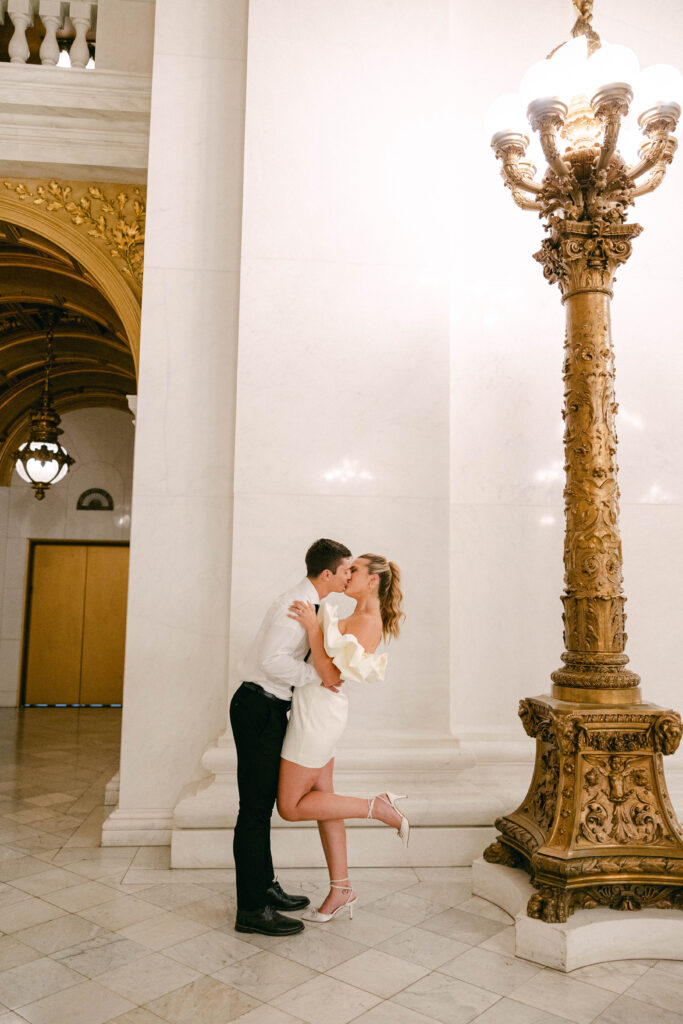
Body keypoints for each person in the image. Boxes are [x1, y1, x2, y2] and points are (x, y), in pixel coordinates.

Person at [230, 538, 352, 936]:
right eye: (345, 569)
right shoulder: (295, 606)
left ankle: (264, 888)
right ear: (327, 573)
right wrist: (316, 678)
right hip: (257, 707)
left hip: (269, 707)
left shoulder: (315, 606)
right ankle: (251, 909)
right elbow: (271, 661)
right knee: (254, 810)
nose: (350, 575)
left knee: (261, 806)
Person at [278, 553, 406, 922]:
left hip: (318, 711)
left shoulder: (368, 622)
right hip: (315, 708)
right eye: (347, 569)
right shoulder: (355, 616)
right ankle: (341, 888)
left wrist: (314, 630)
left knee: (290, 806)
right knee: (322, 801)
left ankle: (377, 807)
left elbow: (332, 677)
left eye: (356, 570)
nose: (347, 575)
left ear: (373, 581)